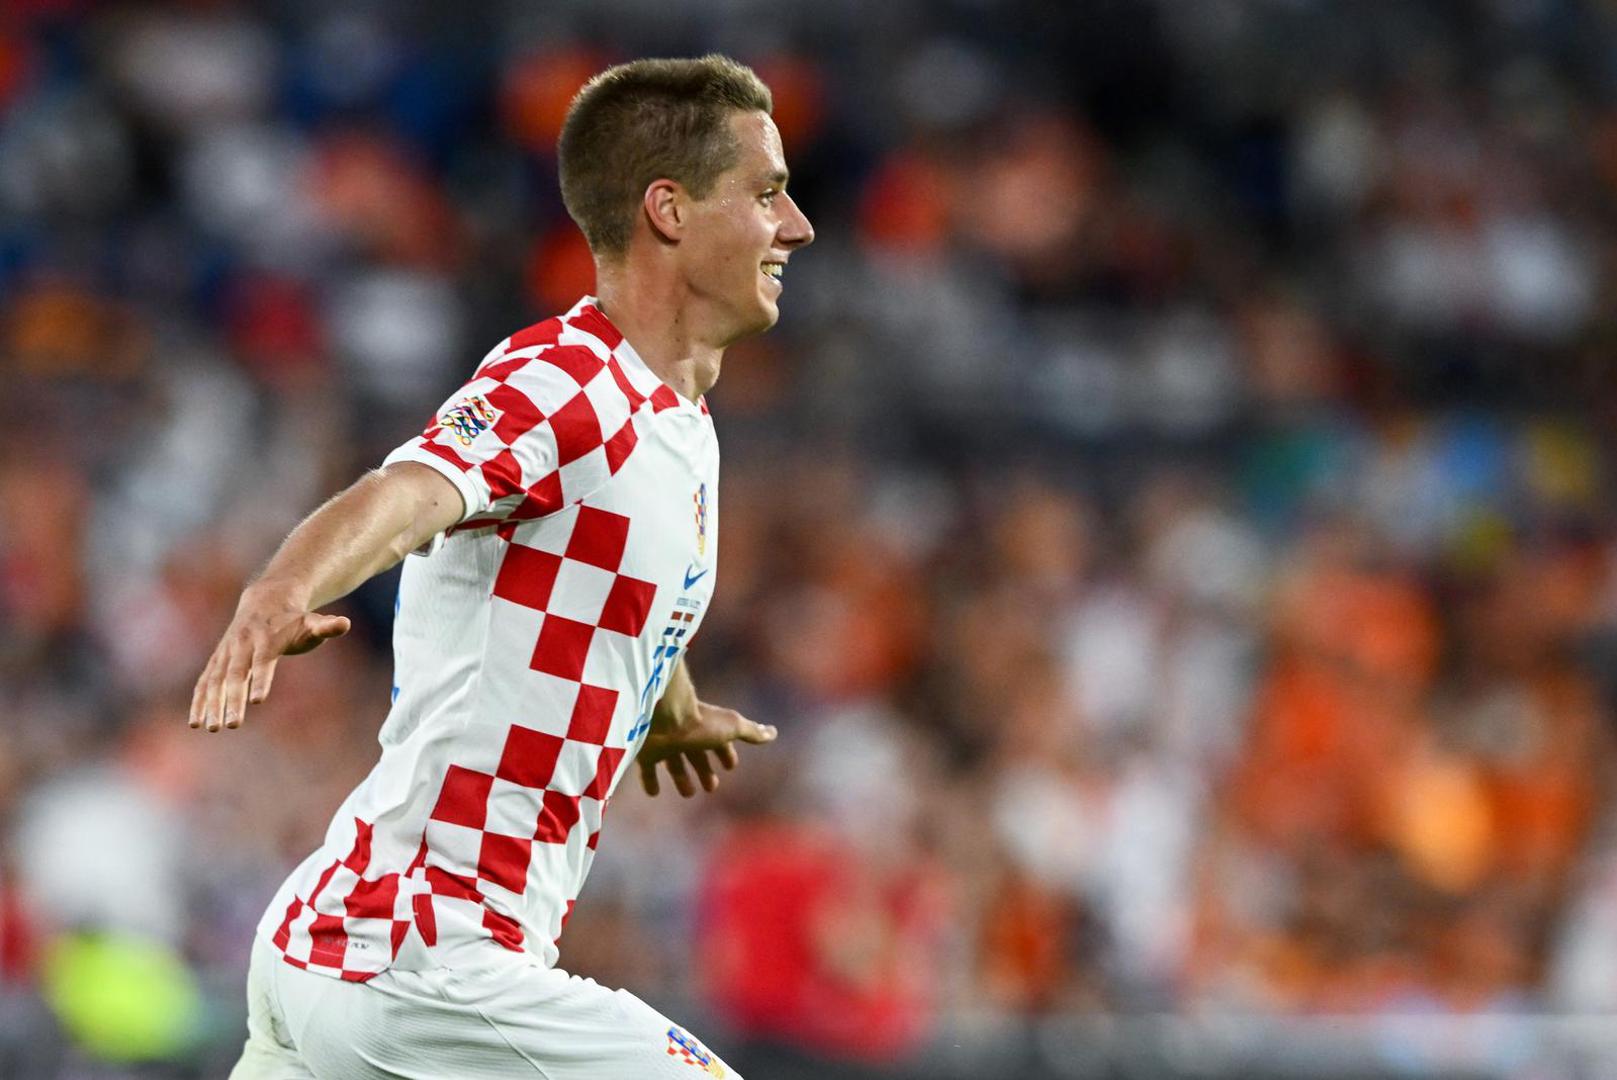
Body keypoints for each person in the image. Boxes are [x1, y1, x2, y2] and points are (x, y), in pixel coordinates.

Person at [189, 54, 813, 1079]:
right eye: (767, 194)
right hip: (424, 961)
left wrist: (668, 703)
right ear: (670, 210)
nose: (796, 228)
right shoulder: (567, 383)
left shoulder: (678, 424)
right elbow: (410, 492)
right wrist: (281, 589)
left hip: (341, 940)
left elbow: (602, 584)